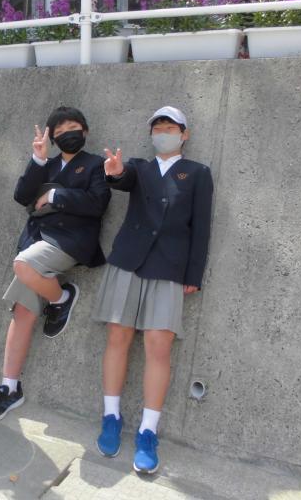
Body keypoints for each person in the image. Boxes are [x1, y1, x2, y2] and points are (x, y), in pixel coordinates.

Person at [93, 106, 213, 474]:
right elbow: (122, 177)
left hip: (169, 267)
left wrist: (194, 273)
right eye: (157, 127)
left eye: (170, 127)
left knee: (159, 346)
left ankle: (148, 430)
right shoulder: (139, 168)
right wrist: (115, 172)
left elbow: (202, 227)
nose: (163, 132)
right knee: (118, 336)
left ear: (184, 134)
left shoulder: (197, 173)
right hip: (128, 261)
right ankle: (111, 416)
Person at [0, 106, 111, 423]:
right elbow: (21, 195)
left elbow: (97, 203)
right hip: (37, 241)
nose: (68, 133)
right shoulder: (47, 165)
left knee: (23, 264)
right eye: (60, 130)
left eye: (73, 127)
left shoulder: (95, 164)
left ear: (85, 131)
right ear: (52, 139)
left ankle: (61, 297)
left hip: (69, 242)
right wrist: (37, 160)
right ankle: (9, 387)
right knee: (23, 312)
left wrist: (55, 197)